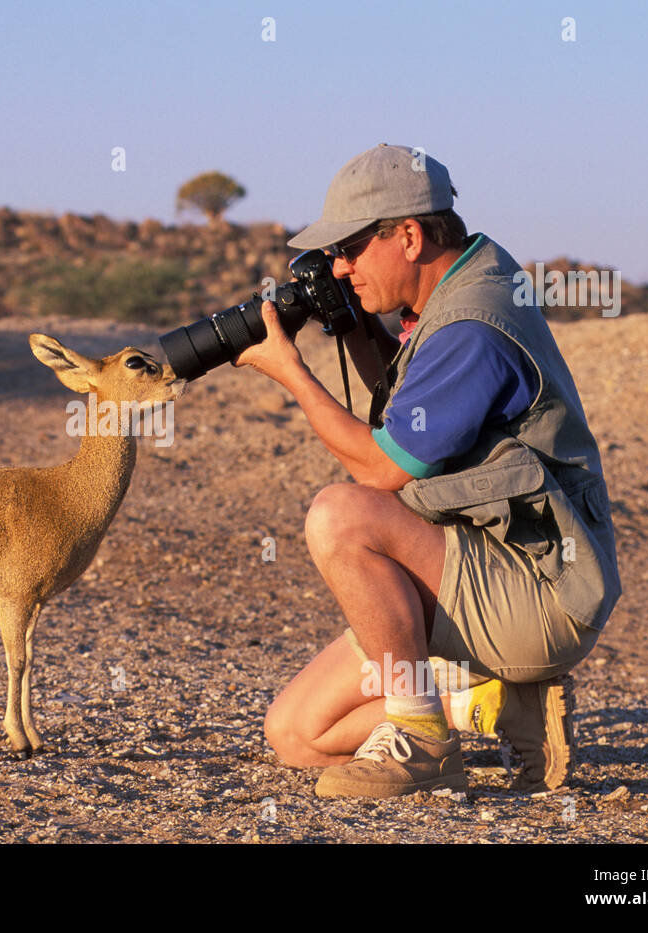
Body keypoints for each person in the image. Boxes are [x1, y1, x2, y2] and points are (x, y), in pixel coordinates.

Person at [233, 143, 620, 797]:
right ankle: (492, 701)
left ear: (408, 235)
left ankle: (421, 738)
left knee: (340, 514)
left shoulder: (473, 325)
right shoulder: (451, 296)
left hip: (542, 590)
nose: (339, 266)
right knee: (295, 734)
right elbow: (412, 414)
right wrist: (353, 329)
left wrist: (291, 373)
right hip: (484, 561)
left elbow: (382, 464)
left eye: (350, 249)